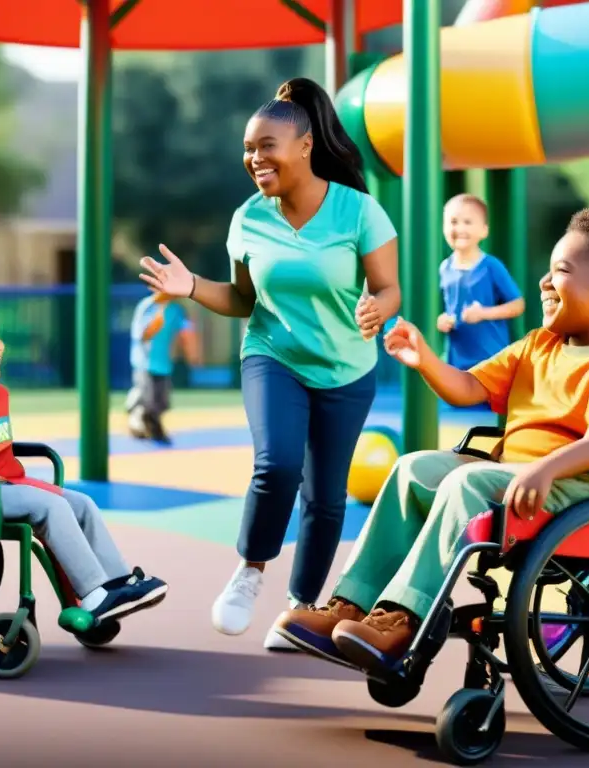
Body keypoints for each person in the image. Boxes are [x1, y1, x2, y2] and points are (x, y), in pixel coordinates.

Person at [269, 209, 589, 671]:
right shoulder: (537, 344)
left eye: (561, 271)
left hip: (576, 487)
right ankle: (351, 606)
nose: (544, 282)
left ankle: (403, 619)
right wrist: (425, 360)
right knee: (411, 469)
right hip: (511, 477)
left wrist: (546, 467)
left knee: (466, 482)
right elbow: (469, 388)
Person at [138, 78, 400, 650]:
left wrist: (376, 309)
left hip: (346, 369)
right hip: (272, 354)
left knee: (327, 497)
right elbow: (241, 301)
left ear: (305, 145)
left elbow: (388, 288)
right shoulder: (248, 219)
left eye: (267, 146)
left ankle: (302, 607)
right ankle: (250, 572)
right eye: (249, 148)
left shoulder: (360, 212)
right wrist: (189, 287)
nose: (255, 158)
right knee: (277, 464)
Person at [0, 277, 168, 623]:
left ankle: (116, 585)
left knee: (82, 504)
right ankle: (93, 595)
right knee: (50, 506)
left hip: (2, 486)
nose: (0, 345)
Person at [437, 193, 525, 371]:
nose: (460, 228)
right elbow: (445, 310)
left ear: (484, 230)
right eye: (453, 222)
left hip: (491, 362)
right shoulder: (444, 268)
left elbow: (518, 305)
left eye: (467, 222)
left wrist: (484, 313)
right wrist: (441, 321)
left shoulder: (491, 266)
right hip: (457, 364)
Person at [126, 292, 200, 444]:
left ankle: (145, 418)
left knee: (161, 400)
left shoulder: (176, 310)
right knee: (148, 398)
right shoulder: (147, 306)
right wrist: (155, 324)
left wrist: (192, 353)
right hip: (145, 362)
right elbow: (142, 335)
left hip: (163, 363)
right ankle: (141, 420)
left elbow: (186, 331)